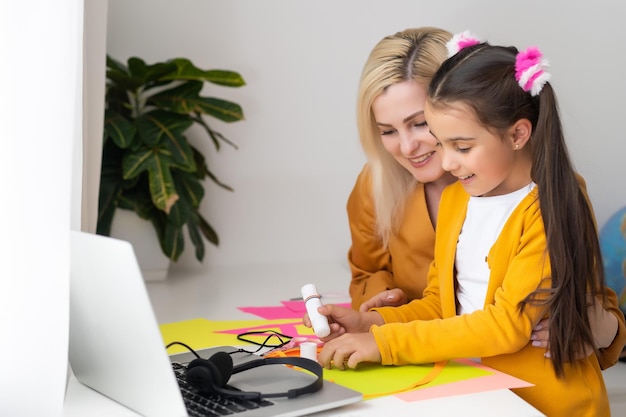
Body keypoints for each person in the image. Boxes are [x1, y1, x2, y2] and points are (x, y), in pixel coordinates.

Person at [311, 33, 626, 416]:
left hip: (544, 403)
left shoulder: (549, 206)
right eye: (441, 144)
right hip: (475, 389)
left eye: (459, 147)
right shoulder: (459, 198)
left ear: (518, 134)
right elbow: (442, 305)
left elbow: (505, 326)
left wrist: (385, 343)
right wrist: (369, 321)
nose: (444, 162)